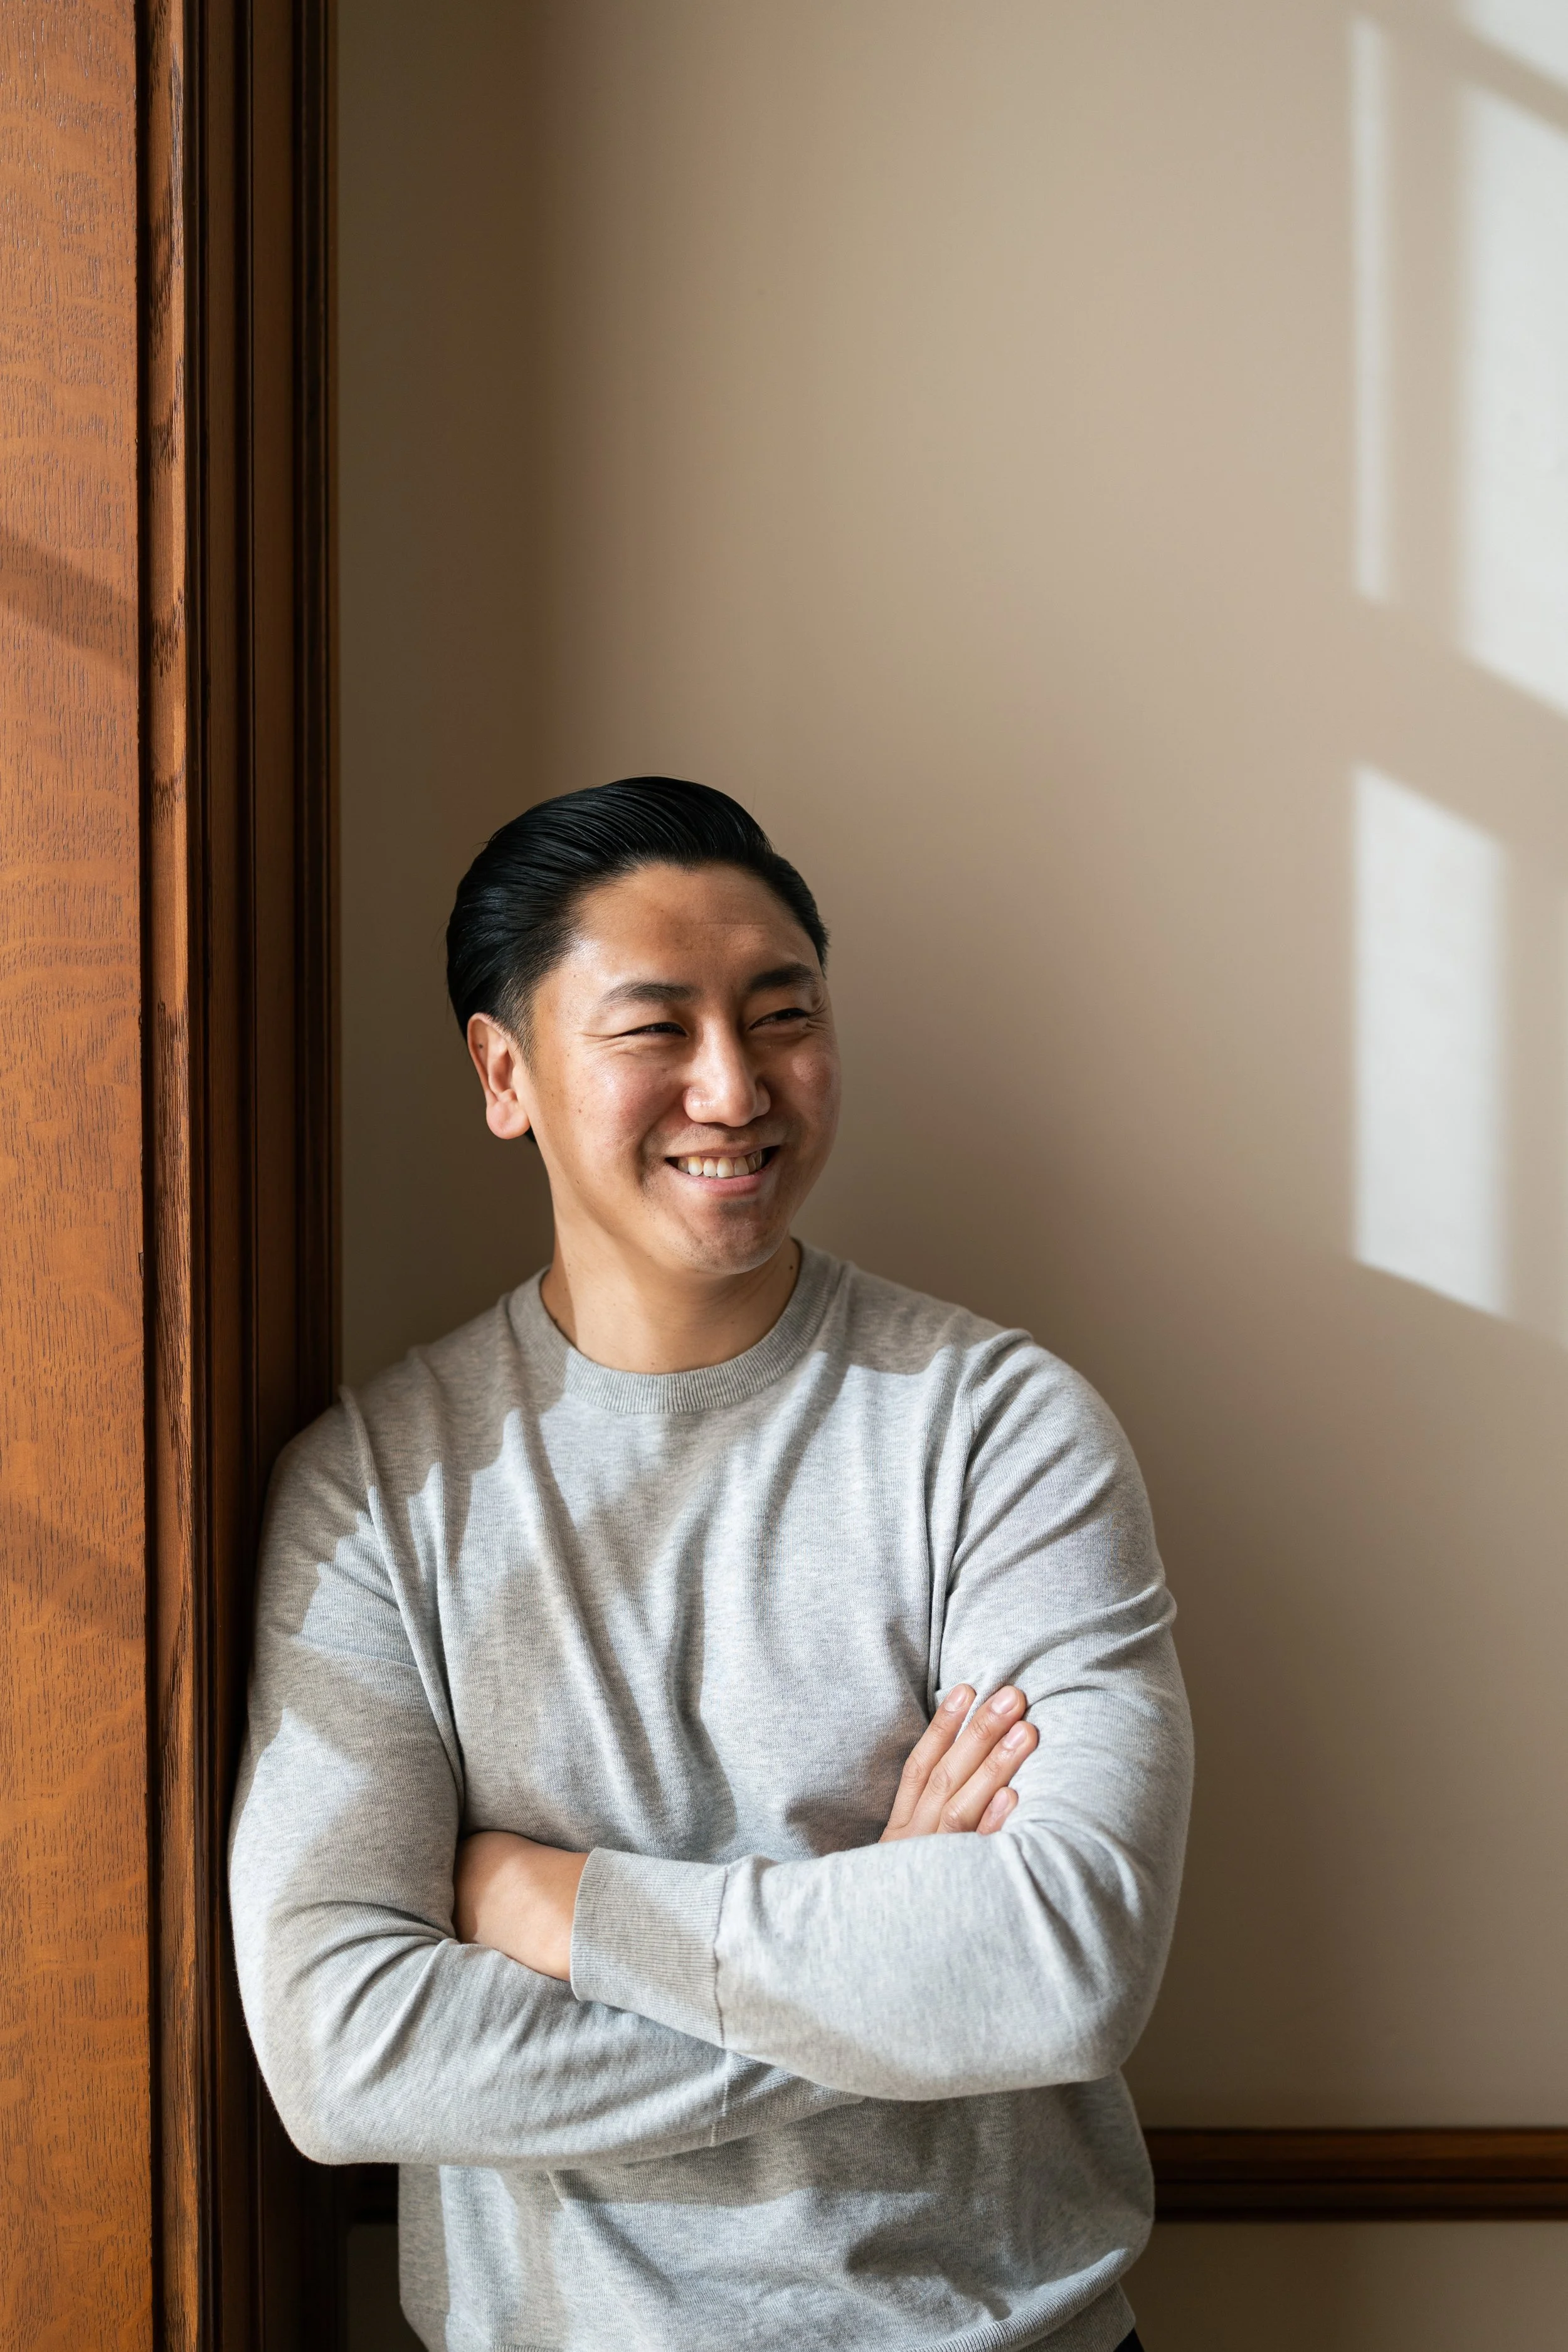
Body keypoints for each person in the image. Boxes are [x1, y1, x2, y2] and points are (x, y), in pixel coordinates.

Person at [230, 776, 1190, 2352]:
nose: (733, 1087)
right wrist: (885, 1959)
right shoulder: (374, 1492)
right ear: (505, 1073)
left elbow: (1065, 1964)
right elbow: (346, 2056)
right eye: (654, 1028)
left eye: (781, 1016)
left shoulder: (999, 1430)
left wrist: (557, 1906)